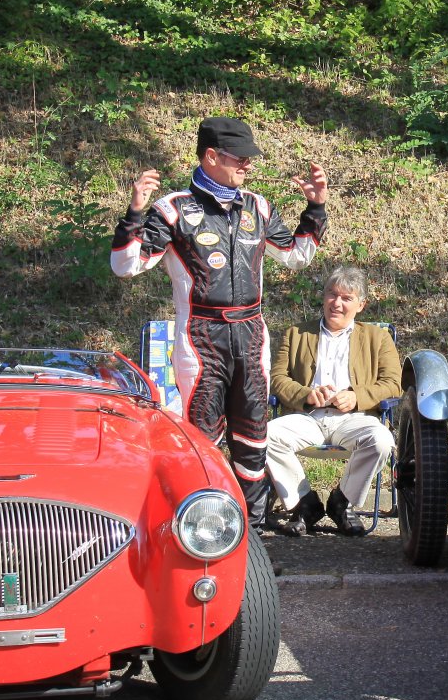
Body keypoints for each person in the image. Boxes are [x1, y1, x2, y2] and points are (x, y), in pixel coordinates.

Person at [111, 116, 328, 527]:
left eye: (249, 158)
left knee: (253, 437)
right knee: (202, 437)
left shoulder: (258, 206)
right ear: (211, 156)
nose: (248, 165)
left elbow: (297, 256)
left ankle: (253, 531)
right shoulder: (173, 209)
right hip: (200, 337)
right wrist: (134, 214)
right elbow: (125, 266)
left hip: (251, 333)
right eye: (239, 158)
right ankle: (207, 527)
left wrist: (315, 208)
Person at [266, 266, 401, 537]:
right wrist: (305, 395)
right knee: (264, 436)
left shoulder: (378, 338)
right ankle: (304, 503)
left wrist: (356, 396)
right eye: (332, 294)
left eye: (346, 298)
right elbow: (277, 378)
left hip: (354, 418)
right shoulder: (296, 334)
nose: (336, 303)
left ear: (361, 305)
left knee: (381, 441)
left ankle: (342, 501)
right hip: (308, 417)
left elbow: (392, 384)